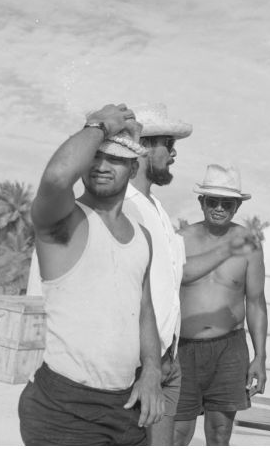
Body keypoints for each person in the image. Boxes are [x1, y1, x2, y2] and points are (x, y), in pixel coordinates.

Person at [18, 103, 164, 445]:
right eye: (95, 156)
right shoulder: (63, 221)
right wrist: (100, 125)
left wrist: (153, 369)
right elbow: (56, 177)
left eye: (114, 158)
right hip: (64, 408)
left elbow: (143, 311)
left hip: (126, 406)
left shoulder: (142, 236)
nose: (101, 166)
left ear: (132, 166)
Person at [173, 164, 267, 446]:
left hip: (229, 349)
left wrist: (260, 356)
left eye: (227, 203)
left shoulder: (248, 244)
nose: (219, 208)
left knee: (219, 433)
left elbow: (256, 302)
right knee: (177, 433)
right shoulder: (180, 240)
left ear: (237, 206)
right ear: (201, 202)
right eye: (212, 201)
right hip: (183, 348)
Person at [125, 103, 192, 445]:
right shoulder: (124, 205)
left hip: (168, 362)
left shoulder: (159, 210)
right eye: (168, 142)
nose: (174, 153)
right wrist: (145, 366)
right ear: (143, 147)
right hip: (137, 365)